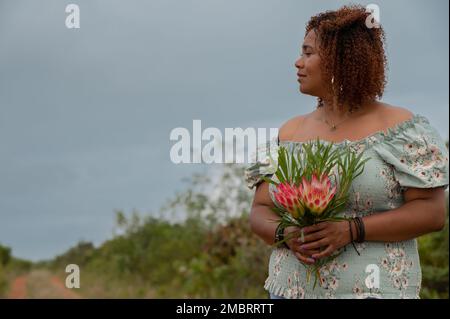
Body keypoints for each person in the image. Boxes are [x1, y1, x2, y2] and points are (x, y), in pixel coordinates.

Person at [245, 5, 449, 299]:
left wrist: (352, 229)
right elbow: (260, 210)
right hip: (289, 292)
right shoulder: (288, 134)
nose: (297, 63)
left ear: (340, 59)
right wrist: (286, 234)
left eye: (308, 53)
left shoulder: (401, 129)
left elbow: (431, 213)